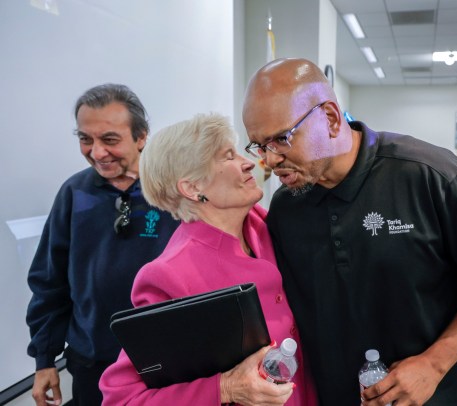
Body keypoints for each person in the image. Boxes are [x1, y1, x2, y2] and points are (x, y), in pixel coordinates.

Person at [242, 58, 457, 405]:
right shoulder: (286, 207)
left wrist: (434, 365)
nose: (268, 160)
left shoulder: (430, 176)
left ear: (329, 118)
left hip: (444, 395)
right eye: (258, 146)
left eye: (280, 139)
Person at [99, 113, 317, 405]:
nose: (248, 162)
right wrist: (226, 388)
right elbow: (122, 398)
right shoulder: (170, 276)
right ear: (192, 188)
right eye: (228, 156)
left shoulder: (261, 224)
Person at [26, 84, 180, 406]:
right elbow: (49, 283)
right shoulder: (74, 194)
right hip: (91, 365)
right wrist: (44, 359)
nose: (96, 152)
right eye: (85, 139)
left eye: (110, 140)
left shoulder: (175, 193)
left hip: (166, 366)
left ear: (141, 137)